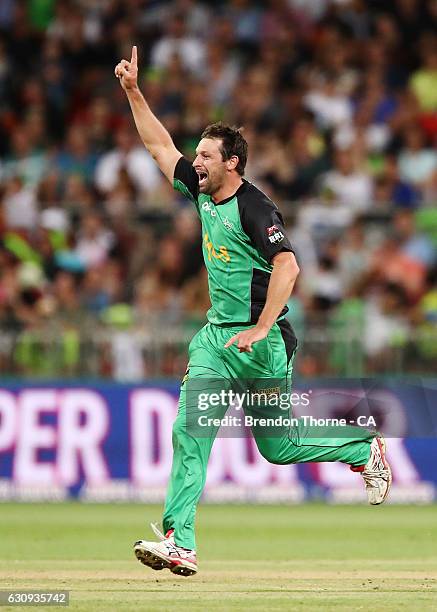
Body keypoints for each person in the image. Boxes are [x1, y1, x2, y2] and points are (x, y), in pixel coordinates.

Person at [115, 46, 392, 577]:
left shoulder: (255, 207)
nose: (194, 162)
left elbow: (288, 267)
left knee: (279, 447)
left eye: (205, 156)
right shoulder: (200, 191)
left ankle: (362, 447)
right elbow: (157, 146)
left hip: (262, 346)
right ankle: (180, 541)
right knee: (190, 432)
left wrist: (262, 328)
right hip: (217, 341)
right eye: (195, 155)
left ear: (232, 163)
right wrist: (132, 91)